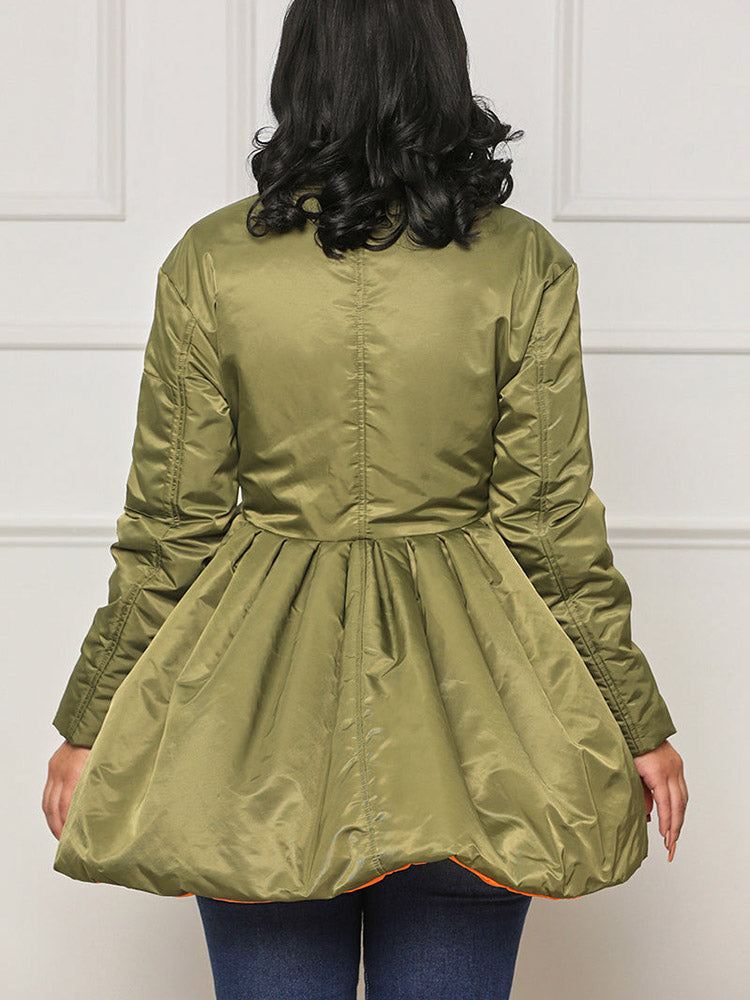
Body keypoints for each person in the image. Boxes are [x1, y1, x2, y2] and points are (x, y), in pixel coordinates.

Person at [42, 1, 688, 997]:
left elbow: (171, 533)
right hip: (474, 731)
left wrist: (91, 719)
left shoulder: (209, 262)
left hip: (257, 734)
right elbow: (550, 531)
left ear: (299, 74)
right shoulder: (522, 264)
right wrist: (636, 720)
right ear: (442, 69)